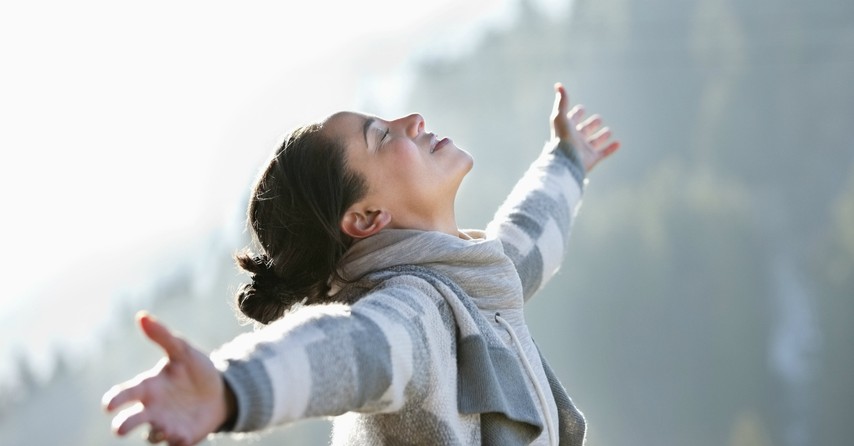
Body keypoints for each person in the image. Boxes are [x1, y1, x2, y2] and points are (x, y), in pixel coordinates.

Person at [102, 82, 620, 446]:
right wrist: (230, 388)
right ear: (368, 216)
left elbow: (523, 248)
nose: (411, 121)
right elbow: (347, 349)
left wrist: (566, 162)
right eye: (382, 136)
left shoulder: (467, 287)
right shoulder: (415, 313)